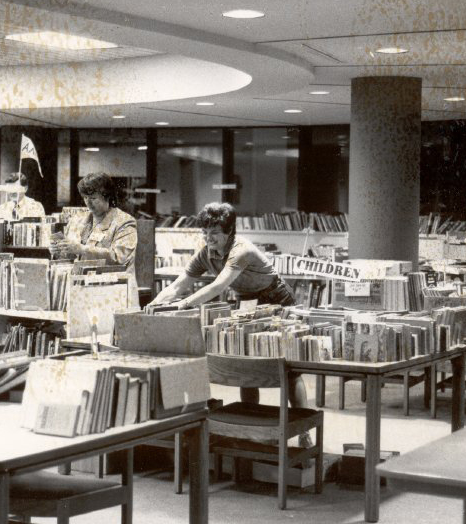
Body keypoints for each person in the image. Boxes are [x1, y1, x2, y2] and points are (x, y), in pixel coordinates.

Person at [148, 202, 312, 445]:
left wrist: (182, 305)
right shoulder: (205, 253)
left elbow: (218, 286)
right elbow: (178, 285)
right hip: (248, 301)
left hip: (277, 298)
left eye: (214, 233)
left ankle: (304, 434)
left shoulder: (241, 249)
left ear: (229, 232)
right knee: (246, 365)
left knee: (288, 368)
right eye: (204, 232)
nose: (208, 238)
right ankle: (250, 429)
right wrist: (153, 304)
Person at [50, 172, 137, 272]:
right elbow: (71, 257)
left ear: (107, 196)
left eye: (93, 198)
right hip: (80, 281)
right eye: (85, 198)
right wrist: (58, 251)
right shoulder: (76, 220)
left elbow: (119, 258)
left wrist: (81, 249)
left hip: (112, 283)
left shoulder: (125, 222)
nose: (88, 203)